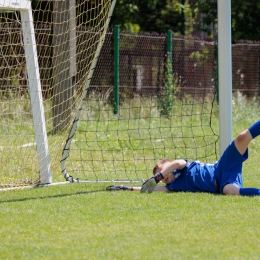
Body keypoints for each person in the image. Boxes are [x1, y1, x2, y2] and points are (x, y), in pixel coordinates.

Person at [106, 120, 260, 196]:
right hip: (223, 182)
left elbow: (176, 163)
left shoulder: (182, 165)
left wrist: (159, 175)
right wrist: (127, 188)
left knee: (242, 138)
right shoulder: (173, 187)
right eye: (161, 175)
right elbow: (151, 189)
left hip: (221, 167)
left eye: (164, 171)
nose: (164, 177)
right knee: (230, 191)